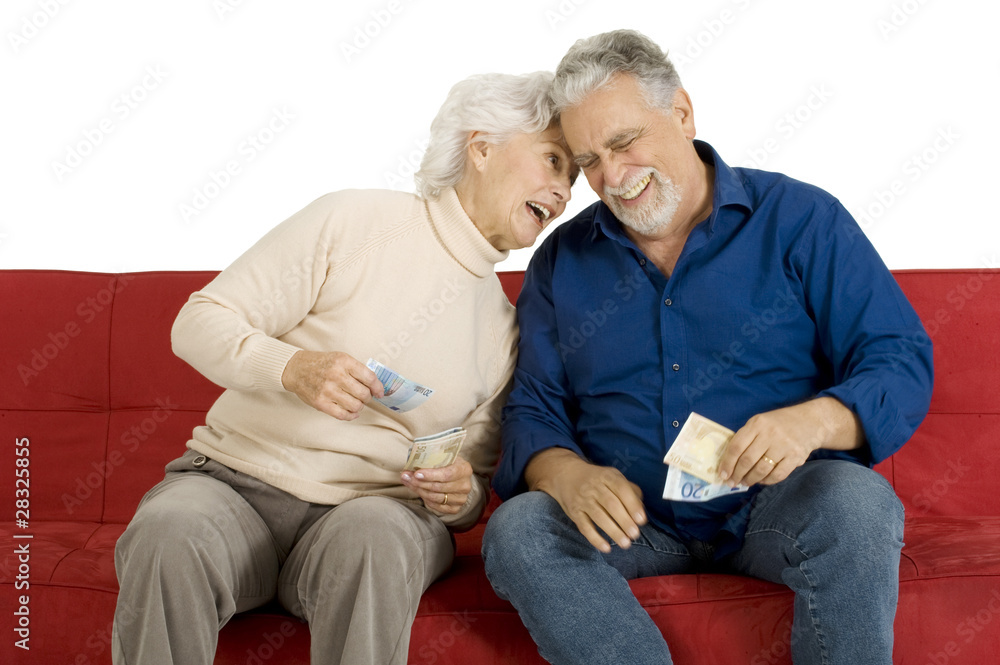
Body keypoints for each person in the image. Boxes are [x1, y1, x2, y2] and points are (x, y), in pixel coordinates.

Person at [482, 29, 933, 665]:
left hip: (776, 507)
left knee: (858, 504)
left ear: (682, 113)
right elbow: (534, 406)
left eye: (623, 141)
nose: (611, 176)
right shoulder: (563, 260)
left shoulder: (800, 218)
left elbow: (898, 357)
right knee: (521, 530)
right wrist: (566, 472)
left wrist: (813, 420)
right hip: (631, 522)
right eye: (588, 161)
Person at [112, 70, 576, 665]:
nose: (566, 192)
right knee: (168, 532)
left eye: (573, 177)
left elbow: (468, 494)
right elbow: (199, 321)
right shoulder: (352, 221)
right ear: (482, 147)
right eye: (553, 160)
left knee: (375, 538)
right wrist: (292, 367)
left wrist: (459, 495)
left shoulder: (506, 330)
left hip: (375, 514)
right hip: (234, 487)